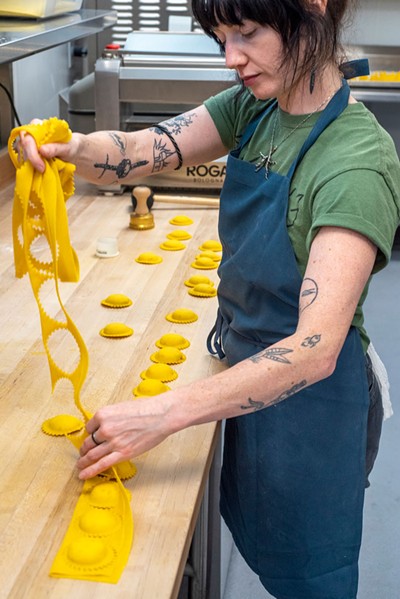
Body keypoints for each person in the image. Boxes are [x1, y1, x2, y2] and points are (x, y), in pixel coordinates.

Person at [21, 0, 400, 597]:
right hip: (238, 373)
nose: (232, 58)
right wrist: (73, 150)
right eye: (221, 36)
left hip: (309, 413)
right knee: (252, 529)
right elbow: (147, 148)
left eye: (247, 33)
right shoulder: (256, 106)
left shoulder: (355, 162)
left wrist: (163, 413)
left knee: (309, 574)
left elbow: (316, 347)